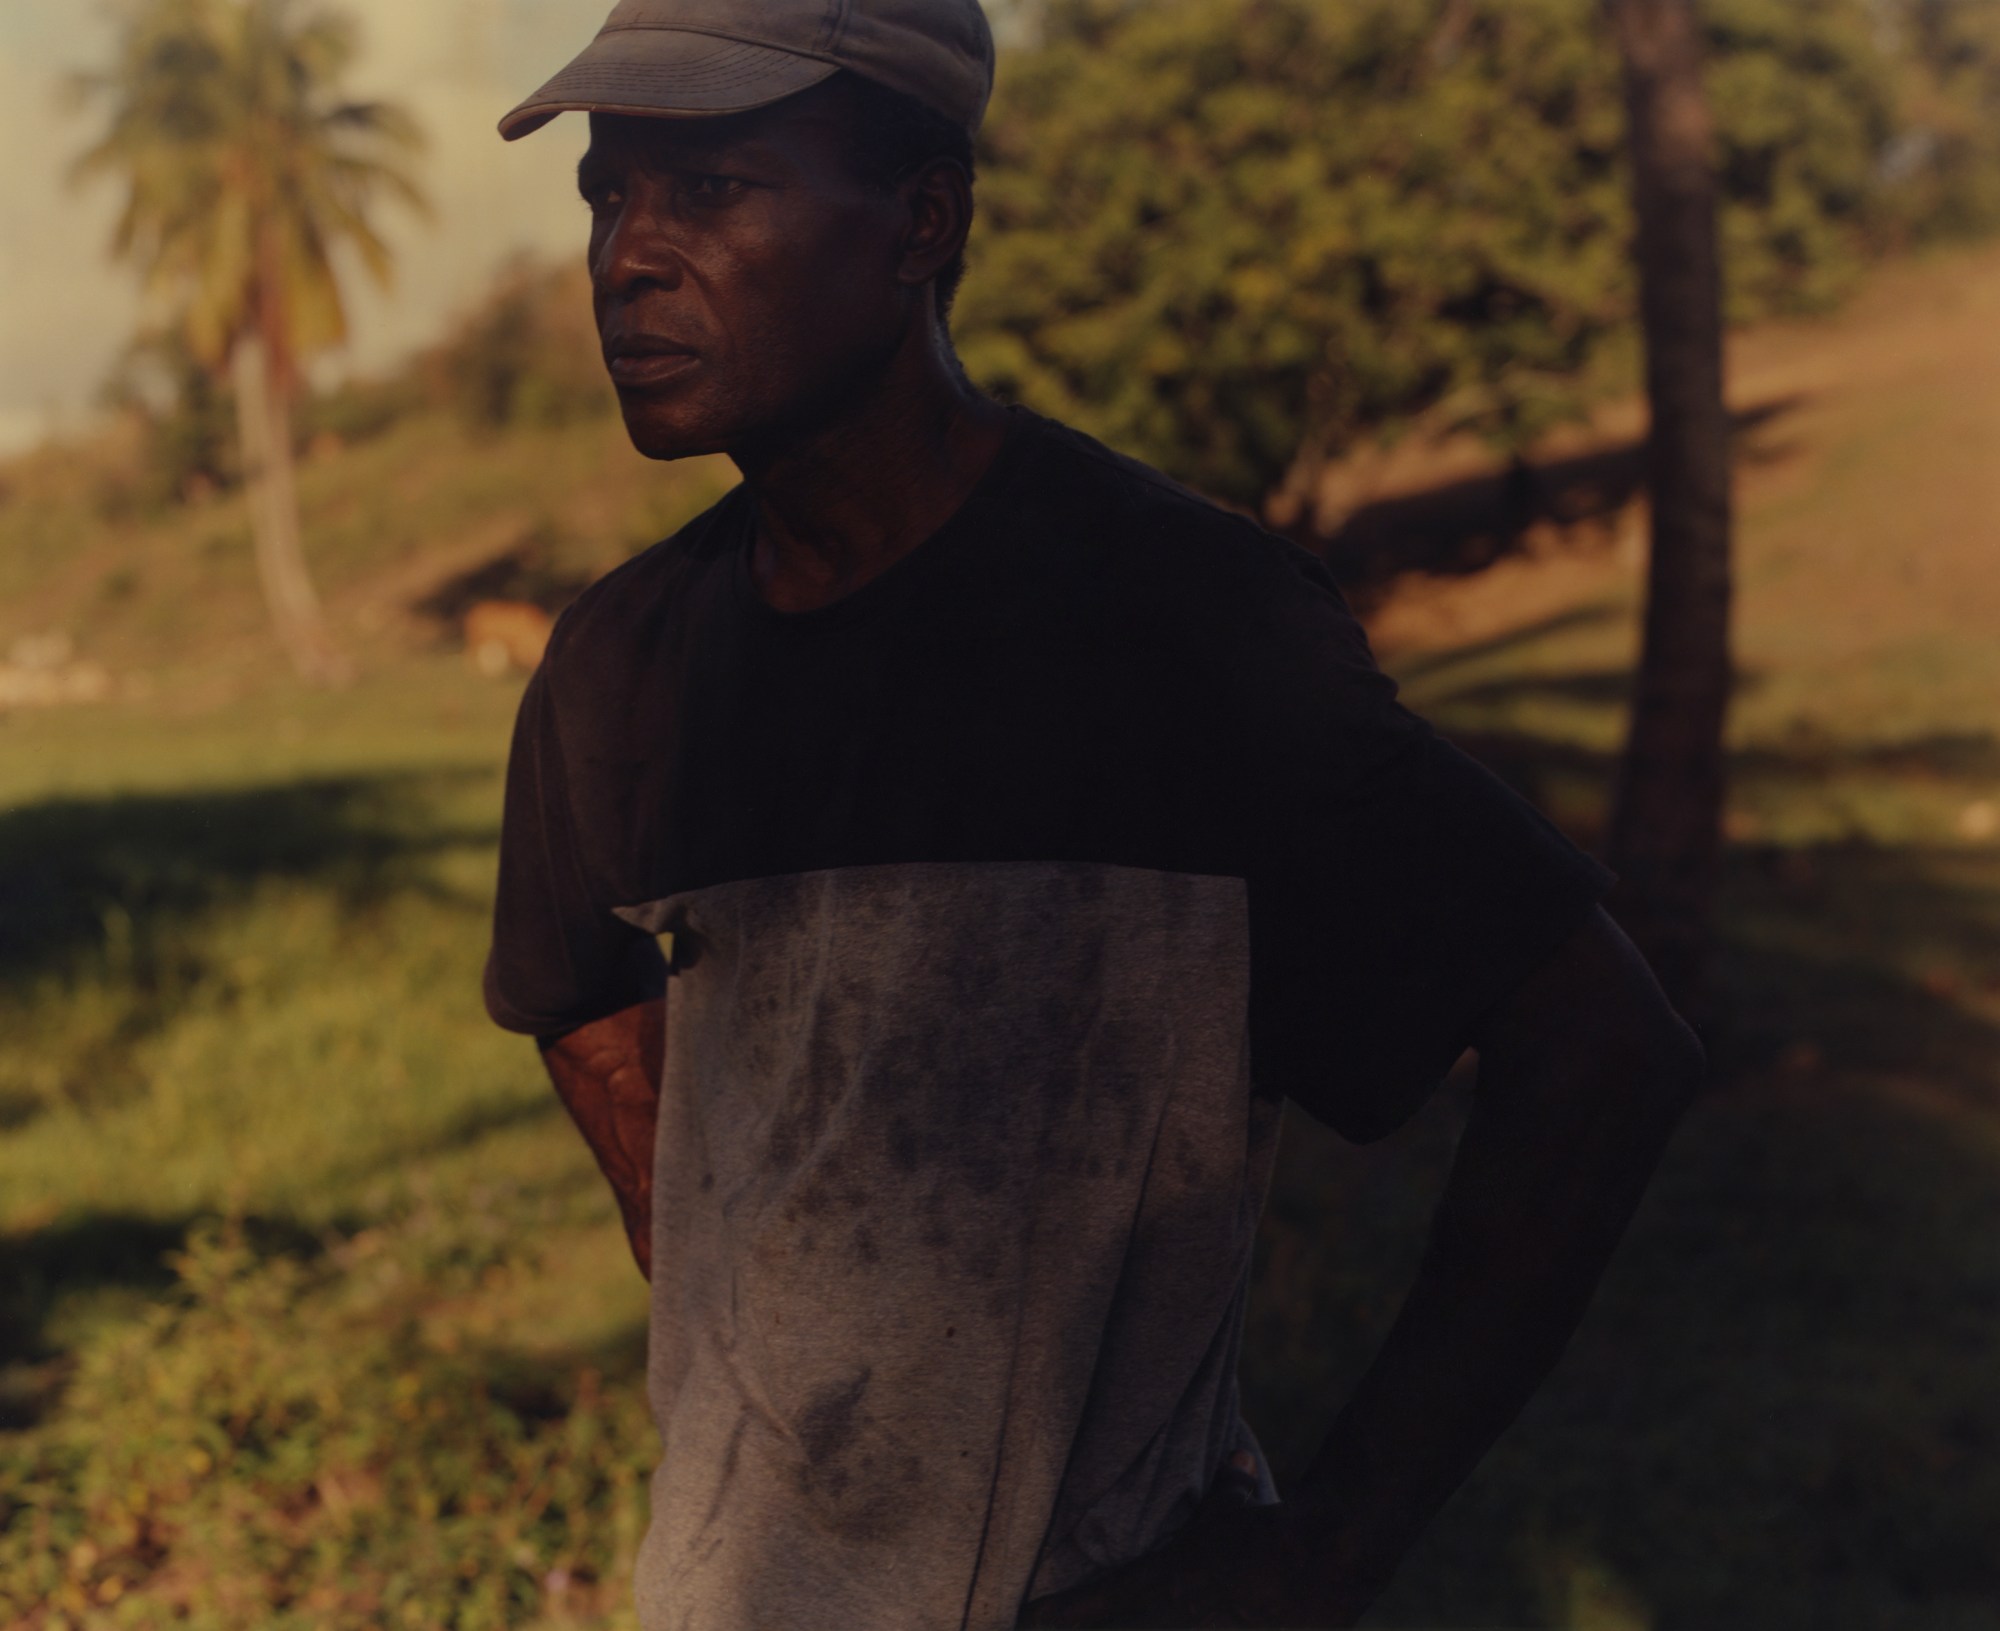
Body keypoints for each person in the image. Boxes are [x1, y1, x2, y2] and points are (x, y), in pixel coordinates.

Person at [481, 2, 1706, 1626]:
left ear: (926, 218)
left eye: (706, 189)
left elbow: (1600, 1049)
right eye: (604, 195)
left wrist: (1333, 1549)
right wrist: (759, 1327)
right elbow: (582, 1008)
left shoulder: (1177, 622)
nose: (626, 258)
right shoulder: (620, 669)